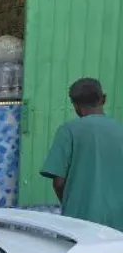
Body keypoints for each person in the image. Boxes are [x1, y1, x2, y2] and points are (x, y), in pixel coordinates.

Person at [41, 79, 123, 230]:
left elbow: (58, 182)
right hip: (118, 224)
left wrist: (72, 204)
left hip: (79, 223)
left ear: (75, 105)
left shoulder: (68, 131)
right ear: (103, 99)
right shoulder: (120, 130)